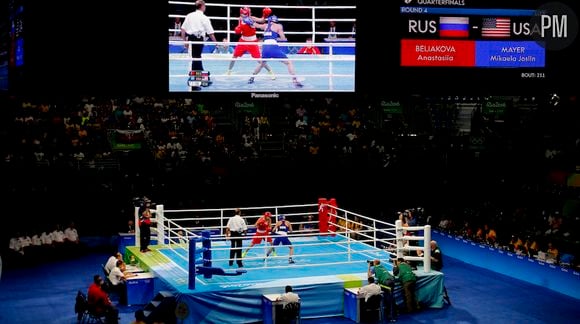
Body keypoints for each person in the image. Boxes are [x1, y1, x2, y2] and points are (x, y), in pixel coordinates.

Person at [251, 15, 303, 87]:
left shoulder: (265, 25)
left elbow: (254, 24)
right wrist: (277, 38)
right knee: (289, 62)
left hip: (265, 48)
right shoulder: (278, 26)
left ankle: (252, 77)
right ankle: (295, 80)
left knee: (262, 64)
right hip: (273, 47)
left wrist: (249, 18)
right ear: (276, 20)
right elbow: (283, 38)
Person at [226, 6, 275, 80]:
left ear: (248, 13)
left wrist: (265, 15)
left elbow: (261, 20)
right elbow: (239, 28)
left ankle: (270, 71)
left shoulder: (252, 18)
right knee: (234, 56)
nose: (243, 15)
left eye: (244, 14)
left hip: (252, 42)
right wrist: (238, 29)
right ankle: (229, 71)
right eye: (242, 14)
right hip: (242, 41)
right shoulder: (240, 19)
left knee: (259, 60)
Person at [180, 0, 217, 71]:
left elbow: (183, 29)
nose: (205, 7)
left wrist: (185, 41)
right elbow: (210, 33)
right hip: (199, 39)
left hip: (191, 38)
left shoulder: (189, 15)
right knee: (195, 57)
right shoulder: (204, 17)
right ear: (202, 6)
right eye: (205, 6)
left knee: (195, 57)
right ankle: (196, 74)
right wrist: (216, 43)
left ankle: (198, 74)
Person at [430, 240, 451, 304]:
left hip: (436, 268)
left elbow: (436, 260)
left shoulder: (437, 251)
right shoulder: (432, 249)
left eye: (430, 244)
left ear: (432, 245)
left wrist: (429, 257)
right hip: (433, 267)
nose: (429, 245)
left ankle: (445, 295)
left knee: (439, 282)